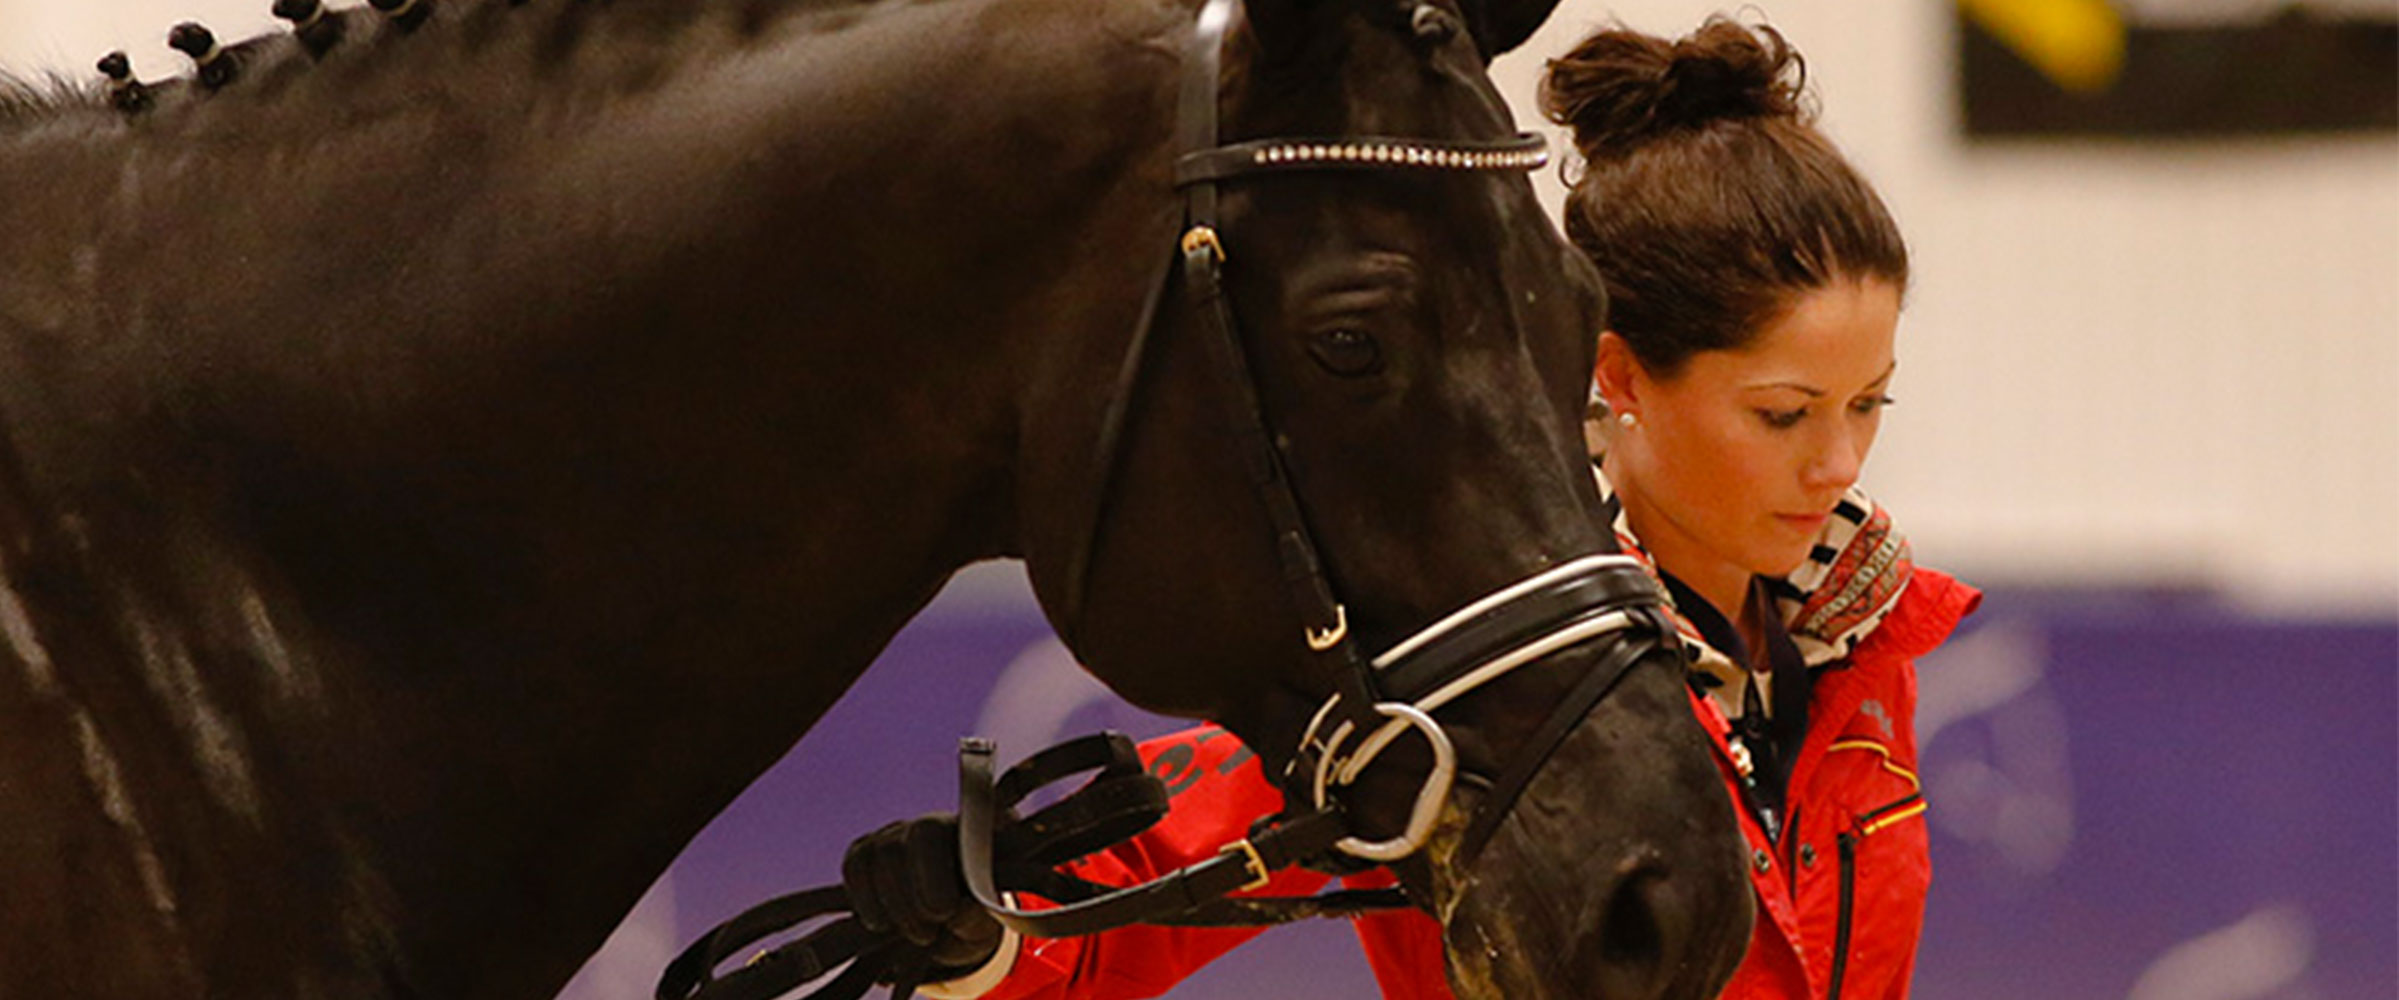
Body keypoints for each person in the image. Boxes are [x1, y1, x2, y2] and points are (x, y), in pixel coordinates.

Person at [842, 16, 1980, 1000]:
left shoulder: (1855, 639)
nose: (1836, 461)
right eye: (1784, 413)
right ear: (1619, 377)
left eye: (1867, 404)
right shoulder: (1483, 656)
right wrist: (981, 933)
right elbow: (1165, 861)